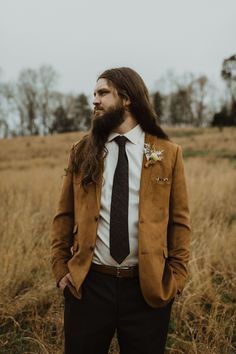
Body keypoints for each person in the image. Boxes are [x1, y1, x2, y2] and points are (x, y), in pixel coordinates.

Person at [50, 67, 191, 354]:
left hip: (147, 289)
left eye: (102, 93)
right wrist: (60, 267)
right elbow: (64, 215)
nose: (95, 101)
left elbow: (179, 222)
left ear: (126, 98)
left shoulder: (167, 152)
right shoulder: (82, 150)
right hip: (89, 286)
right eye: (94, 94)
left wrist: (176, 277)